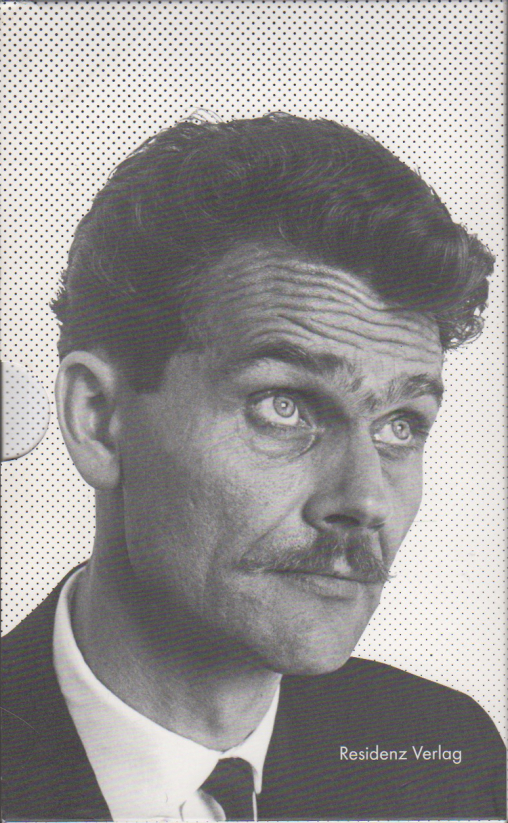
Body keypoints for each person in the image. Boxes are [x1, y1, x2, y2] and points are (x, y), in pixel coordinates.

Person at [1, 113, 505, 822]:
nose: (365, 499)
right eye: (284, 406)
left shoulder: (447, 755)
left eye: (400, 424)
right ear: (99, 419)